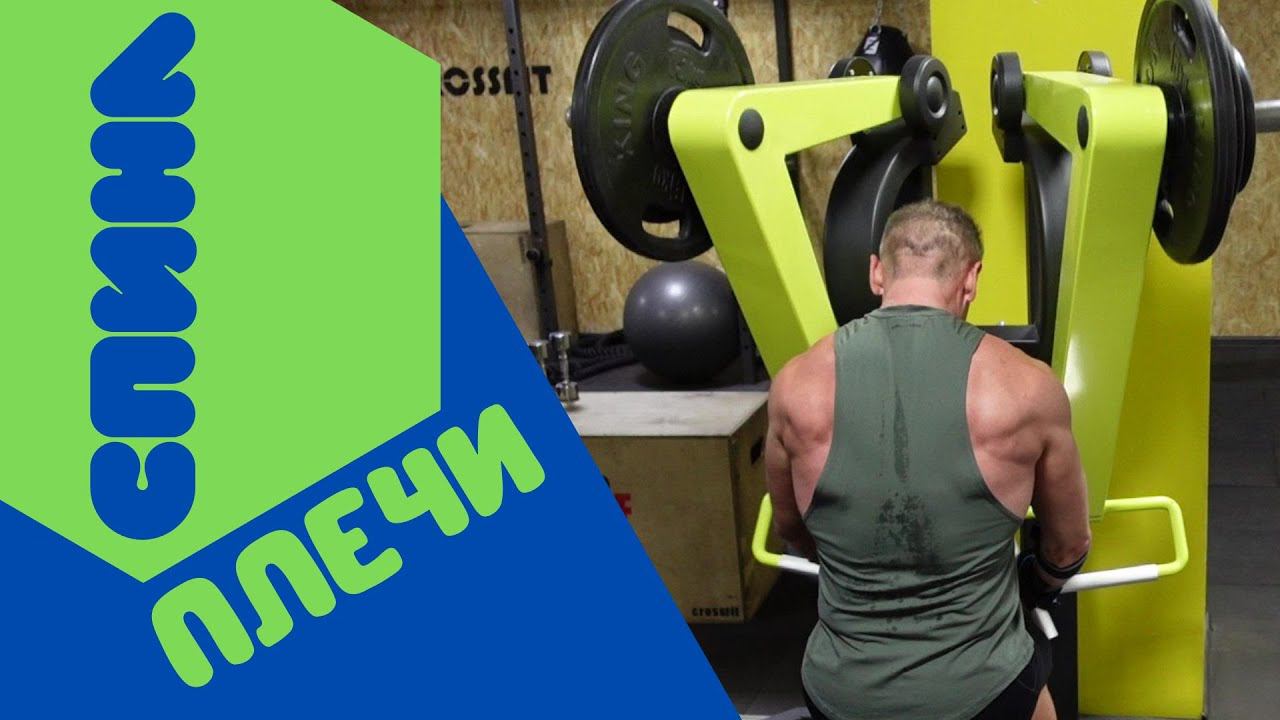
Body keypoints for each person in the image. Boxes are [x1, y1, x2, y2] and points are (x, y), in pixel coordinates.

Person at [764, 200, 1092, 720]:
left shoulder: (795, 384)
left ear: (877, 272)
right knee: (1035, 690)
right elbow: (1069, 544)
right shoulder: (1029, 387)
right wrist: (1032, 584)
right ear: (972, 279)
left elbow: (793, 530)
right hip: (984, 692)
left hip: (840, 693)